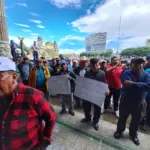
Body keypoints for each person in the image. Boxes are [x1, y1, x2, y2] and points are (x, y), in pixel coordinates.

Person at [0, 57, 56, 150]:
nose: (39, 63)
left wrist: (45, 141)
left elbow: (51, 117)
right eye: (38, 62)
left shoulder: (33, 96)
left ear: (14, 76)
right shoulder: (33, 70)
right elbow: (31, 78)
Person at [114, 58, 150, 146]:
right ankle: (119, 131)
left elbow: (148, 86)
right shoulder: (126, 72)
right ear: (131, 65)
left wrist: (133, 84)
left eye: (141, 64)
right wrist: (141, 86)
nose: (139, 66)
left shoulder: (146, 74)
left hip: (139, 101)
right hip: (126, 99)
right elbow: (126, 84)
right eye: (136, 65)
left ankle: (133, 134)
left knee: (137, 120)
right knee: (122, 117)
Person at [81, 58, 109, 131]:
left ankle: (95, 122)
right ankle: (87, 118)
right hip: (88, 94)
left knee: (97, 109)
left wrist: (107, 89)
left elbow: (105, 83)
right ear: (91, 65)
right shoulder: (87, 72)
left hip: (98, 94)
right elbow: (85, 82)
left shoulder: (102, 73)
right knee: (86, 107)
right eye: (94, 65)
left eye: (97, 65)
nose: (96, 67)